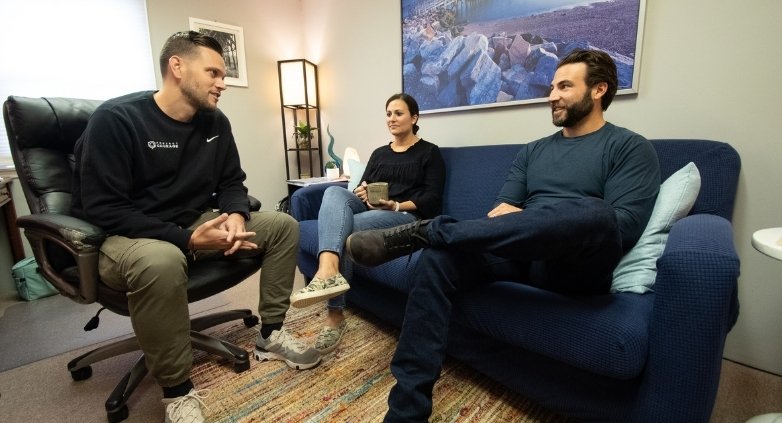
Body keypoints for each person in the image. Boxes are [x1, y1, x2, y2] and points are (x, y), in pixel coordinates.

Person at [345, 50, 661, 421]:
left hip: (575, 264)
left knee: (594, 211)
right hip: (519, 250)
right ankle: (405, 412)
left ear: (599, 90)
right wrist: (526, 222)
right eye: (552, 86)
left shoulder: (629, 147)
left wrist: (544, 217)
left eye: (564, 86)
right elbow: (501, 214)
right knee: (438, 260)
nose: (552, 95)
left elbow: (619, 228)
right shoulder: (534, 151)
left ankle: (428, 230)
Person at [71, 31, 320, 423]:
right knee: (162, 261)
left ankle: (271, 335)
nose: (223, 83)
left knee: (283, 225)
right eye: (214, 73)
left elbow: (231, 182)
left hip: (192, 223)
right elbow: (105, 208)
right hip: (127, 236)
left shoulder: (214, 122)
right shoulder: (116, 120)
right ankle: (177, 392)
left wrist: (236, 215)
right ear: (177, 67)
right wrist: (187, 239)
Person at [288, 93, 446, 354]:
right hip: (370, 209)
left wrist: (394, 204)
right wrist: (362, 191)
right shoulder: (380, 153)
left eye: (398, 113)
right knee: (334, 192)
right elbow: (365, 183)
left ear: (414, 117)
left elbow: (431, 198)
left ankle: (335, 316)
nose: (391, 119)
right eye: (388, 114)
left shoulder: (430, 152)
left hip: (403, 215)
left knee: (344, 229)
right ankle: (328, 271)